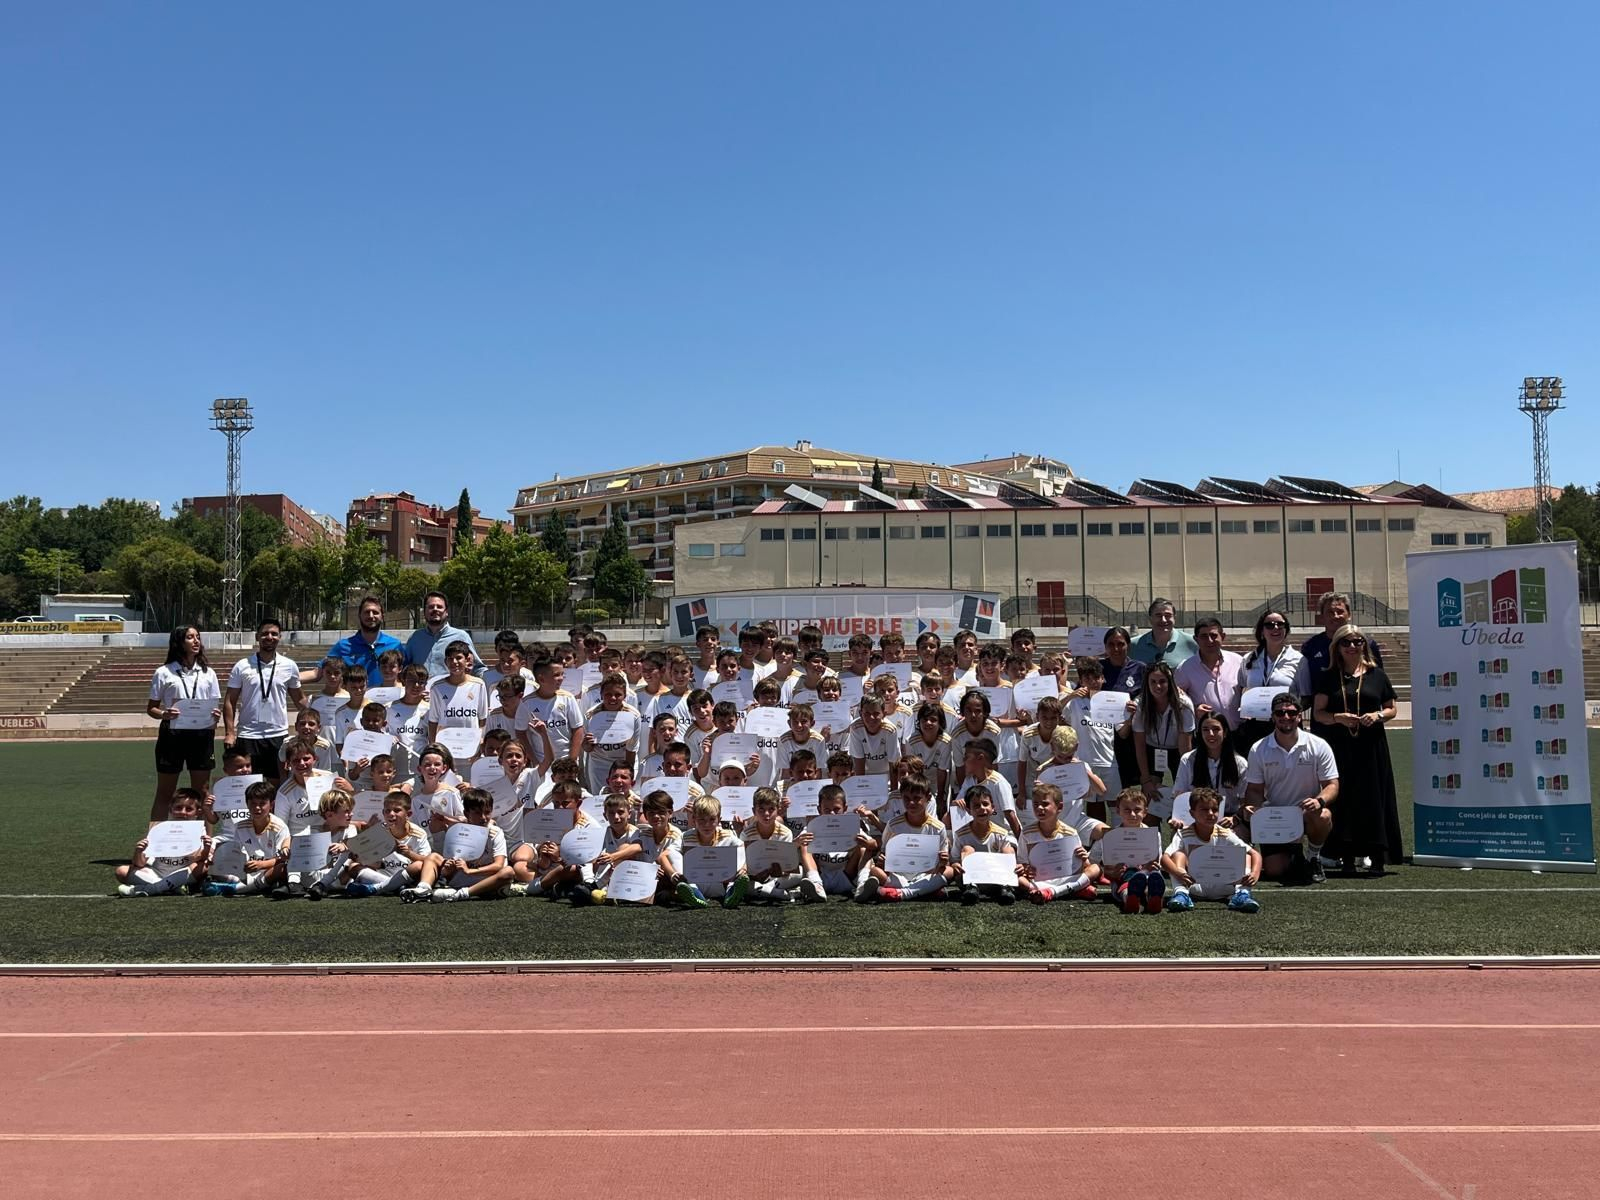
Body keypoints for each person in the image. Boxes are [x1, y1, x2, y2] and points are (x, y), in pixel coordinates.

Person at [1311, 624, 1402, 875]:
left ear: (1364, 645)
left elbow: (1392, 708)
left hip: (1372, 747)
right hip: (1341, 747)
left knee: (1374, 798)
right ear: (1337, 647)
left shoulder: (1377, 675)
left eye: (1358, 641)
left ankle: (1377, 855)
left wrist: (1378, 715)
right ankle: (1346, 856)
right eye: (1346, 642)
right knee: (1345, 800)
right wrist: (1337, 717)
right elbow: (1318, 713)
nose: (1352, 646)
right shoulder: (1328, 676)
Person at [1240, 693, 1338, 884]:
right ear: (1273, 716)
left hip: (1305, 814)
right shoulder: (1258, 749)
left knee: (1324, 815)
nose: (1286, 717)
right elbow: (1254, 789)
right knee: (1276, 871)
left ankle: (1313, 856)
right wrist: (1253, 808)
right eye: (1280, 713)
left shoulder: (1318, 745)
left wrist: (1319, 801)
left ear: (1300, 715)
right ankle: (1295, 857)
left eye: (1291, 713)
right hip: (1275, 816)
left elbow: (1332, 785)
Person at [147, 624, 222, 823]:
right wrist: (165, 714)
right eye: (190, 637)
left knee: (202, 791)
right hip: (173, 734)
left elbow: (215, 705)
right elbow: (151, 708)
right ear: (179, 642)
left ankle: (204, 846)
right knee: (165, 791)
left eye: (198, 637)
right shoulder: (164, 672)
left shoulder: (209, 673)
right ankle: (155, 845)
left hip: (202, 734)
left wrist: (216, 715)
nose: (196, 641)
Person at [222, 619, 305, 782]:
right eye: (265, 633)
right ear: (257, 637)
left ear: (280, 637)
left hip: (278, 735)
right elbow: (229, 701)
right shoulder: (242, 666)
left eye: (274, 634)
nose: (269, 637)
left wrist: (314, 719)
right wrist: (230, 733)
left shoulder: (289, 666)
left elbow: (299, 699)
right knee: (248, 784)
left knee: (279, 782)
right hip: (248, 735)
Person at [1162, 787, 1262, 913]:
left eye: (1214, 810)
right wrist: (1178, 874)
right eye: (1204, 809)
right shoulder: (1183, 834)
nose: (1210, 813)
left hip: (1225, 886)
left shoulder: (1225, 833)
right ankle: (1181, 894)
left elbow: (1254, 854)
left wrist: (1255, 873)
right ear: (1192, 813)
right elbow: (1164, 858)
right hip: (1194, 885)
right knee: (1178, 855)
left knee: (1245, 854)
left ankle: (1242, 894)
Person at [404, 785, 510, 903]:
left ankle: (462, 894)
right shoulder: (459, 830)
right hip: (462, 878)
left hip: (485, 878)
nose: (483, 818)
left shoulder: (495, 833)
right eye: (477, 813)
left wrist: (470, 871)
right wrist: (449, 867)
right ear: (466, 813)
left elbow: (499, 865)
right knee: (433, 857)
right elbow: (448, 868)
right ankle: (423, 889)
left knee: (508, 872)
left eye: (487, 812)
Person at [856, 777, 951, 903]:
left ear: (928, 798)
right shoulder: (893, 825)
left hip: (925, 875)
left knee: (949, 871)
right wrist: (882, 860)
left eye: (917, 798)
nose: (911, 803)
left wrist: (943, 861)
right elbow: (884, 854)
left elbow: (943, 863)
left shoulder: (938, 827)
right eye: (906, 798)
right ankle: (926, 891)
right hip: (898, 875)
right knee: (875, 871)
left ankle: (902, 893)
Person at [1015, 781, 1100, 903]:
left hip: (1066, 878)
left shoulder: (1070, 833)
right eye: (1035, 804)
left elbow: (1083, 865)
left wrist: (1083, 857)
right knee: (1018, 879)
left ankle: (1052, 892)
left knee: (1095, 868)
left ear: (1059, 807)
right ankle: (1075, 889)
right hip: (1039, 881)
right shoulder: (1027, 833)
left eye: (1045, 804)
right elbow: (1022, 862)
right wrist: (1026, 869)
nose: (1039, 808)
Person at [116, 786, 210, 896]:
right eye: (178, 808)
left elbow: (201, 859)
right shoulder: (159, 828)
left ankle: (151, 889)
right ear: (170, 809)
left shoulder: (199, 830)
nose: (183, 812)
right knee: (121, 871)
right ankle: (172, 887)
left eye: (189, 809)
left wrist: (207, 848)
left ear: (198, 812)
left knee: (203, 867)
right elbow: (139, 863)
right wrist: (138, 851)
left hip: (182, 873)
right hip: (156, 873)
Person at [1292, 591, 1385, 702]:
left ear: (1349, 615)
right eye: (1330, 612)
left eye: (1340, 611)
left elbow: (1379, 680)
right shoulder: (1311, 646)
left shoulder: (1366, 644)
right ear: (1321, 616)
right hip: (1322, 713)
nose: (1335, 616)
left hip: (1361, 712)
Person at [1232, 610, 1303, 755]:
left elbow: (1307, 696)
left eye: (1280, 624)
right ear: (1262, 631)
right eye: (1269, 625)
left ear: (1286, 630)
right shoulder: (1249, 659)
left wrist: (1289, 711)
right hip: (1255, 726)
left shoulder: (1299, 660)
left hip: (1286, 723)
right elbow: (1243, 688)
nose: (1275, 628)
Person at [203, 780, 289, 896]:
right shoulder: (241, 826)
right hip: (246, 871)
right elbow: (237, 853)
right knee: (212, 864)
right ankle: (247, 885)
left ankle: (236, 889)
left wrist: (261, 865)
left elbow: (282, 859)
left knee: (282, 869)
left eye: (262, 803)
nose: (257, 808)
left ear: (271, 805)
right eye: (253, 803)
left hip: (267, 870)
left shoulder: (280, 827)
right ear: (246, 804)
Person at [342, 790, 431, 897]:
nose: (391, 814)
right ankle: (396, 886)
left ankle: (383, 887)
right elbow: (377, 864)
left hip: (407, 874)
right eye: (387, 811)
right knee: (354, 867)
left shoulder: (419, 834)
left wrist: (408, 853)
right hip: (384, 874)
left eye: (397, 810)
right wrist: (361, 857)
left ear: (409, 814)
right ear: (383, 813)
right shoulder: (379, 830)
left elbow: (428, 862)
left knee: (418, 866)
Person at [1132, 661, 1194, 800]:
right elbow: (1140, 745)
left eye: (1162, 681)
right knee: (1150, 795)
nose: (1157, 686)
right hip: (1152, 750)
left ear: (1170, 682)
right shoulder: (1140, 704)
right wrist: (1146, 780)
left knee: (1181, 794)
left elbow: (1185, 748)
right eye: (1153, 682)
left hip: (1177, 751)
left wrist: (1187, 779)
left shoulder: (1183, 705)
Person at [1172, 713, 1249, 821]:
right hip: (1197, 818)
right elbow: (1179, 796)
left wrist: (1235, 819)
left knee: (1240, 834)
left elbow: (1245, 801)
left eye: (1216, 729)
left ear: (1225, 732)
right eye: (1205, 729)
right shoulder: (1188, 760)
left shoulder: (1240, 763)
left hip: (1228, 818)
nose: (1211, 734)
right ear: (1200, 733)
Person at [952, 785, 1018, 905]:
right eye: (976, 806)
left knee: (1008, 850)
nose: (982, 808)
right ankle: (972, 887)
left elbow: (1009, 859)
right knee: (968, 848)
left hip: (996, 880)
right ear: (968, 810)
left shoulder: (1001, 833)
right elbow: (954, 860)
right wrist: (956, 865)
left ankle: (1006, 887)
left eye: (985, 804)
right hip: (969, 881)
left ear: (993, 808)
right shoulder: (961, 834)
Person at [1174, 617, 1244, 730]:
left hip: (1237, 733)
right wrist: (1194, 709)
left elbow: (1246, 689)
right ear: (1196, 639)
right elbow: (1176, 700)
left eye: (1213, 635)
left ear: (1223, 637)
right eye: (1204, 636)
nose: (1209, 641)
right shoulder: (1185, 668)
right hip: (1206, 736)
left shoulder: (1238, 662)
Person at [1098, 626, 1145, 794]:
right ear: (1105, 647)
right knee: (1100, 792)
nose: (1116, 649)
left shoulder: (1139, 668)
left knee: (1130, 787)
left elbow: (1147, 696)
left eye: (1120, 644)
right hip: (1101, 736)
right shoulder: (1098, 668)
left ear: (1128, 646)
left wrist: (1136, 706)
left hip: (1130, 737)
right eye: (1111, 644)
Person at [326, 596, 405, 686]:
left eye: (375, 612)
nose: (371, 616)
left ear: (382, 616)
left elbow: (406, 675)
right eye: (367, 612)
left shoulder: (395, 645)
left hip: (387, 698)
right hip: (356, 697)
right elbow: (319, 672)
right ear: (359, 615)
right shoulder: (343, 646)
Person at [404, 591, 484, 678]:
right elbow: (405, 668)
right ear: (424, 612)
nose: (435, 609)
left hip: (450, 690)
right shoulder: (415, 638)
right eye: (431, 607)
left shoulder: (461, 637)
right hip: (420, 690)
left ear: (446, 612)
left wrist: (493, 678)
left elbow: (477, 668)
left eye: (439, 607)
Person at [1129, 598, 1198, 669]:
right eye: (1158, 615)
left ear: (1174, 618)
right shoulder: (1133, 645)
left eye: (1168, 615)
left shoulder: (1193, 643)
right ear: (1150, 619)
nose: (1163, 620)